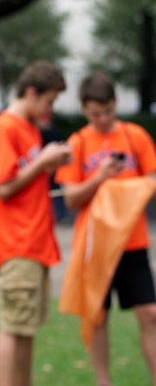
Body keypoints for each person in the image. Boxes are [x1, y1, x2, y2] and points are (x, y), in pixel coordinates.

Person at [55, 71, 156, 386]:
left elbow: (152, 180)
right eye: (96, 114)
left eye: (108, 111)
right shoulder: (78, 143)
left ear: (116, 103)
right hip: (95, 245)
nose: (103, 119)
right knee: (97, 316)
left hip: (132, 241)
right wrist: (100, 178)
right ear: (84, 109)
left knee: (150, 313)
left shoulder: (135, 136)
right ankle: (103, 381)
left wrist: (125, 191)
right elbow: (71, 198)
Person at [0, 60, 70, 386]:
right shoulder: (7, 126)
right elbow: (3, 187)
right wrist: (43, 160)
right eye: (50, 100)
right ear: (31, 92)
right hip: (16, 243)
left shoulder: (29, 128)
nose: (51, 109)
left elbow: (25, 180)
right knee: (13, 328)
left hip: (34, 242)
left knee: (26, 329)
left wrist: (49, 162)